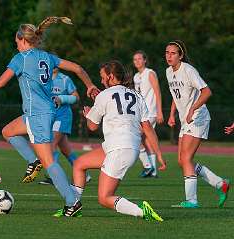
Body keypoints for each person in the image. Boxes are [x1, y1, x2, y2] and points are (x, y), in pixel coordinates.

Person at [0, 16, 99, 216]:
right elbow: (78, 68)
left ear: (22, 39)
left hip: (38, 115)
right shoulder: (47, 56)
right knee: (8, 131)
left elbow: (0, 83)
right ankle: (33, 161)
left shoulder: (20, 59)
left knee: (50, 162)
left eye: (16, 42)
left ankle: (72, 202)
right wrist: (89, 85)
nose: (16, 45)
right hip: (40, 112)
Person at [68, 60, 166, 221]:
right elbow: (147, 128)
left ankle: (142, 211)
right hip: (125, 147)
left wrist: (88, 114)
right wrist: (159, 155)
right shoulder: (136, 95)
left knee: (104, 198)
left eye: (102, 77)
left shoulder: (104, 95)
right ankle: (72, 206)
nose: (100, 81)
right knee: (80, 164)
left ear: (111, 76)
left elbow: (92, 126)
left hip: (119, 149)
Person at [165, 40, 229, 208]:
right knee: (182, 161)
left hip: (198, 117)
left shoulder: (188, 70)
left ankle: (192, 201)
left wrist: (193, 108)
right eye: (167, 52)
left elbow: (207, 91)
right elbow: (175, 94)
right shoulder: (168, 72)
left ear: (181, 56)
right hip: (185, 120)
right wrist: (172, 114)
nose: (169, 56)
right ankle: (220, 184)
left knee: (186, 159)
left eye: (173, 53)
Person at [39, 68, 91, 185]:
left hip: (62, 117)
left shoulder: (64, 79)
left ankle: (54, 177)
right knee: (66, 150)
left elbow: (76, 97)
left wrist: (62, 98)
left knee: (51, 143)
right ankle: (85, 175)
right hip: (50, 117)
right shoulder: (43, 79)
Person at [133, 50, 164, 178]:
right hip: (141, 113)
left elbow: (158, 92)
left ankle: (147, 166)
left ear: (145, 60)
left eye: (139, 59)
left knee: (135, 136)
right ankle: (154, 171)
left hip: (150, 112)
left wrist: (160, 111)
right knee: (146, 141)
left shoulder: (150, 73)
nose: (137, 61)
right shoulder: (136, 76)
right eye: (135, 59)